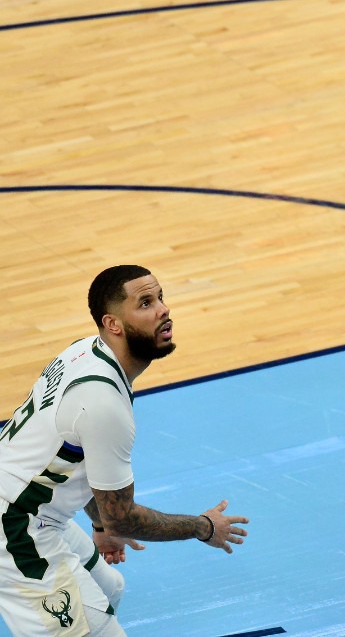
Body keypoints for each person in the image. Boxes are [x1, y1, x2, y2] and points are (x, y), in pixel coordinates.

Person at [0, 265, 249, 637]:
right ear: (113, 324)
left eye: (160, 298)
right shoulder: (102, 403)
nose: (163, 310)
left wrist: (100, 523)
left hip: (30, 509)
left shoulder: (84, 351)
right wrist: (204, 527)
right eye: (146, 303)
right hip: (17, 532)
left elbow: (71, 457)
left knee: (109, 587)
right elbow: (124, 518)